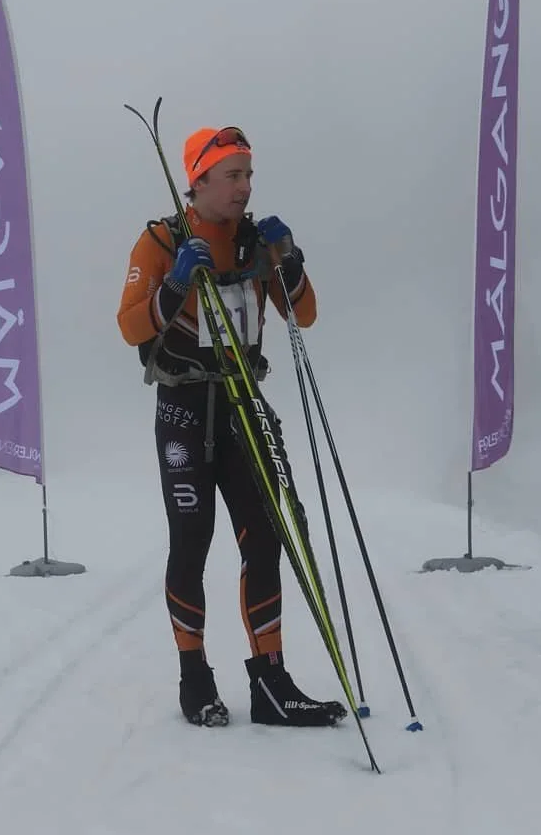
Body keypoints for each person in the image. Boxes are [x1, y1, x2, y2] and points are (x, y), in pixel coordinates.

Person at [117, 124, 347, 729]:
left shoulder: (255, 241)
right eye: (232, 175)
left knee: (267, 536)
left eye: (248, 173)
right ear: (198, 181)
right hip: (186, 411)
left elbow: (306, 313)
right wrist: (173, 284)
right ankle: (195, 677)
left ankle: (270, 682)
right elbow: (131, 328)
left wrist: (288, 260)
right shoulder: (163, 240)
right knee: (191, 543)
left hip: (245, 406)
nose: (245, 187)